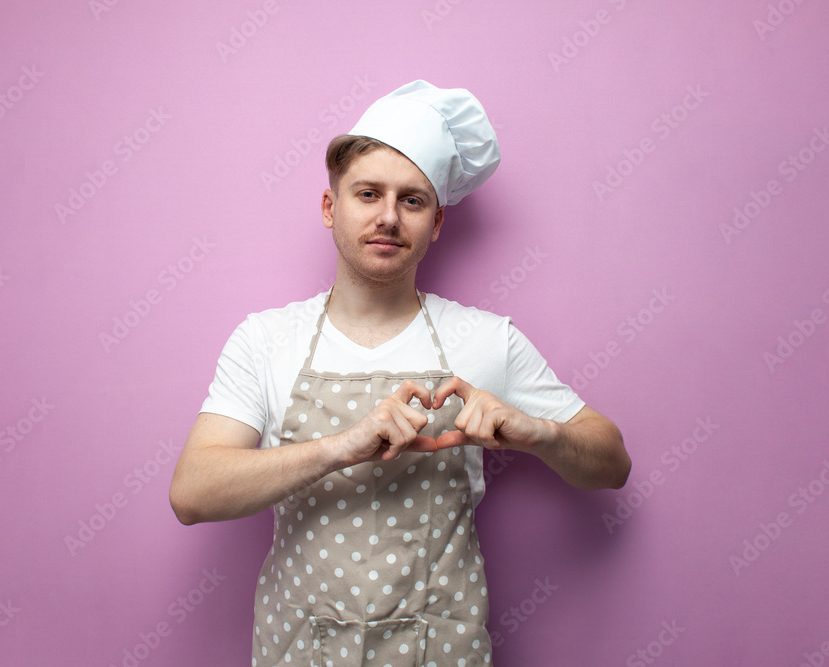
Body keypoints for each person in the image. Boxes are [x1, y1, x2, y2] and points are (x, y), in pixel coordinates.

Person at [169, 80, 631, 666]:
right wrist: (341, 447)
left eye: (412, 200)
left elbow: (612, 463)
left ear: (436, 224)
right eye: (368, 193)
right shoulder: (265, 339)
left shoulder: (486, 340)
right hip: (300, 652)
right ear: (330, 207)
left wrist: (542, 434)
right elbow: (192, 493)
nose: (388, 216)